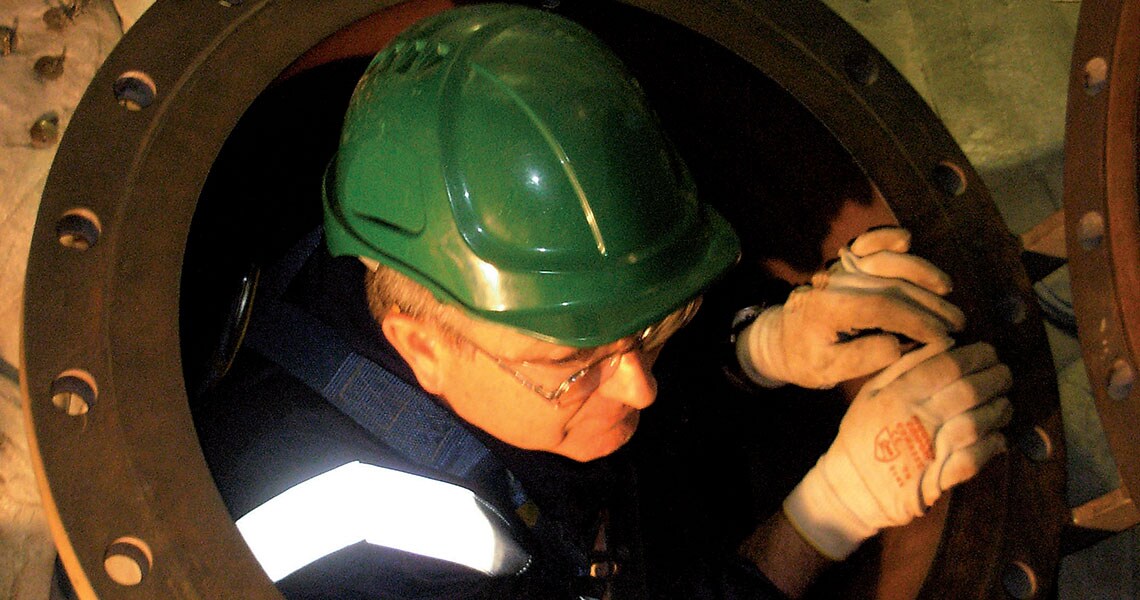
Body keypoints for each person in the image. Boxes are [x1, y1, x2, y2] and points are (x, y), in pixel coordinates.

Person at [193, 5, 1012, 599]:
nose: (641, 387)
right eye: (571, 367)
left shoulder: (429, 254)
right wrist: (827, 517)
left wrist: (757, 347)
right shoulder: (344, 549)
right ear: (423, 344)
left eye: (656, 328)